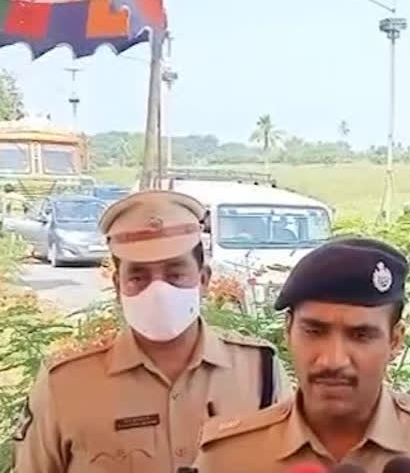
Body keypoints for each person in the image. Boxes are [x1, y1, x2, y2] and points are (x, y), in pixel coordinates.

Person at [12, 191, 289, 473]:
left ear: (203, 280)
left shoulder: (259, 370)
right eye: (138, 277)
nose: (158, 291)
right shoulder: (66, 385)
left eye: (175, 274)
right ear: (119, 286)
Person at [194, 237, 410, 473]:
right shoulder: (228, 455)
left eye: (361, 335)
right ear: (287, 331)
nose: (333, 360)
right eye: (314, 331)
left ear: (395, 341)